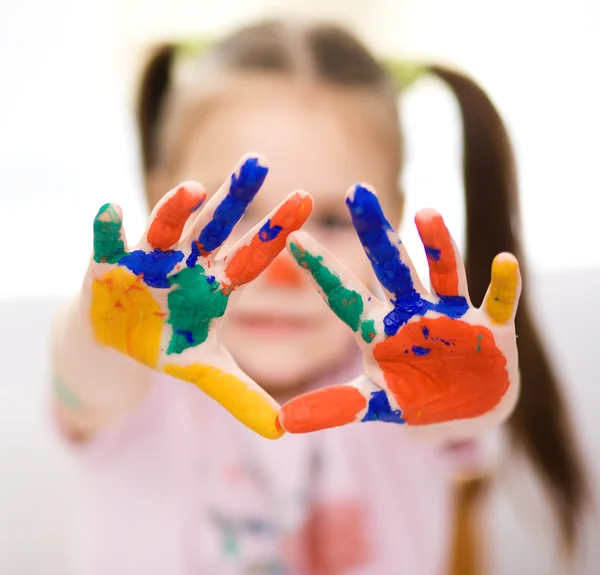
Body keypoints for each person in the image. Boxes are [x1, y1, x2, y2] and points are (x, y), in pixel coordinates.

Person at [52, 19, 587, 575]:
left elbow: (457, 418)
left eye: (331, 219)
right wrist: (103, 328)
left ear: (393, 219)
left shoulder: (410, 379)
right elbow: (89, 373)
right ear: (158, 194)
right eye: (238, 210)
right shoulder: (137, 382)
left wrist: (479, 393)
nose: (277, 269)